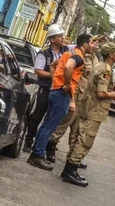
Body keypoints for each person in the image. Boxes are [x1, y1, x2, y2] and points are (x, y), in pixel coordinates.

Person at [27, 34, 93, 171]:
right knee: (50, 126)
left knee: (46, 125)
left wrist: (56, 80)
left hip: (55, 91)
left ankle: (36, 152)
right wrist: (67, 84)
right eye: (92, 43)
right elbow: (69, 67)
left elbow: (53, 65)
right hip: (62, 94)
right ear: (85, 44)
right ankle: (37, 155)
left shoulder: (69, 52)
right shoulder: (78, 57)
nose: (94, 46)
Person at [62, 42, 115, 187]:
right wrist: (113, 95)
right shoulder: (105, 69)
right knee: (85, 140)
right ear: (111, 55)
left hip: (88, 107)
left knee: (79, 137)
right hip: (94, 109)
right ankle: (71, 171)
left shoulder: (100, 66)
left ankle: (68, 170)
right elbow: (100, 93)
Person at [45, 35, 104, 166]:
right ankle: (50, 148)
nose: (97, 45)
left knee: (78, 129)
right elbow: (57, 66)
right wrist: (60, 85)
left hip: (85, 99)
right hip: (74, 96)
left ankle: (73, 157)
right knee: (63, 124)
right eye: (94, 42)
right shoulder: (77, 54)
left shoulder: (95, 59)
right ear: (88, 43)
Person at [23, 24, 70, 153]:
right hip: (46, 89)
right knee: (37, 116)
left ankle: (41, 145)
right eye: (60, 36)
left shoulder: (66, 51)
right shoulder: (44, 53)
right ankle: (28, 141)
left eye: (62, 36)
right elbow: (38, 71)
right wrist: (54, 76)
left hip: (58, 91)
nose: (62, 38)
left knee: (50, 120)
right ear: (52, 39)